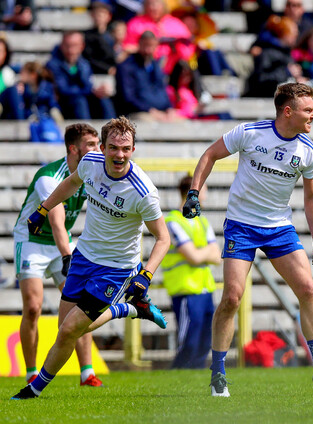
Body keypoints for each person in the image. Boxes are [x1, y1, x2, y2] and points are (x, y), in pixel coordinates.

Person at [183, 82, 313, 397]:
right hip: (241, 226)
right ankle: (218, 374)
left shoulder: (309, 152)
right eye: (308, 110)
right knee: (232, 297)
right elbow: (210, 154)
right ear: (288, 112)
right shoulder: (250, 133)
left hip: (279, 228)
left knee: (308, 289)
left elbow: (312, 198)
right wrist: (194, 192)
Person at [11, 116, 171, 400]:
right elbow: (71, 183)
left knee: (71, 328)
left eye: (126, 149)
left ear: (133, 150)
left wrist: (146, 274)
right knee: (65, 329)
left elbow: (163, 238)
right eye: (113, 148)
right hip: (84, 256)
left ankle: (33, 390)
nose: (119, 155)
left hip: (116, 268)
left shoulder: (143, 192)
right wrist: (43, 209)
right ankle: (130, 309)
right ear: (103, 147)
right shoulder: (91, 163)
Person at [13, 124, 103, 387]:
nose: (98, 149)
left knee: (80, 306)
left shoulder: (93, 174)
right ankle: (31, 372)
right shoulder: (49, 177)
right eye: (91, 145)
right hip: (32, 241)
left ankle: (87, 373)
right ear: (73, 149)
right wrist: (68, 256)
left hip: (62, 242)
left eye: (98, 143)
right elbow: (56, 219)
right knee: (33, 308)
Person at [162, 176, 222, 369]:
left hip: (205, 288)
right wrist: (205, 252)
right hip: (185, 289)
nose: (206, 193)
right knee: (189, 342)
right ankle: (177, 374)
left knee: (205, 342)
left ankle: (194, 378)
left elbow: (217, 256)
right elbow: (193, 257)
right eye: (203, 188)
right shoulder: (172, 221)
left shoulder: (201, 221)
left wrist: (200, 253)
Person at [46, 31, 116, 120]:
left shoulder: (84, 64)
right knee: (80, 101)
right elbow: (63, 90)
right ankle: (84, 128)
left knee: (103, 99)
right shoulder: (52, 65)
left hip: (83, 99)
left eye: (74, 46)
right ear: (61, 46)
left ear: (82, 46)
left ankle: (113, 125)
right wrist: (92, 91)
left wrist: (98, 91)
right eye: (67, 46)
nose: (70, 50)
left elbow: (87, 84)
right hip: (64, 104)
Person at [115, 31, 182, 122]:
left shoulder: (155, 66)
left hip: (160, 111)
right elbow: (128, 97)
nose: (148, 50)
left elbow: (162, 90)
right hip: (138, 112)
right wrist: (150, 110)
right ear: (139, 44)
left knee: (182, 122)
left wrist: (169, 108)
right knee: (149, 122)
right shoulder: (127, 67)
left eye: (151, 46)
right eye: (145, 45)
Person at [244, 15, 302, 98]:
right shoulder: (266, 52)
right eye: (293, 34)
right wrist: (286, 72)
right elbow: (261, 79)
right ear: (284, 34)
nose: (296, 37)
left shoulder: (287, 52)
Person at [83, 1, 119, 75]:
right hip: (95, 73)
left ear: (109, 16)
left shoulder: (112, 35)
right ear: (92, 15)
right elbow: (89, 58)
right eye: (96, 14)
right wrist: (107, 69)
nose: (99, 17)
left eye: (102, 14)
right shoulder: (86, 36)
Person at [0, 35, 22, 119]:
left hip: (5, 111)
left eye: (0, 51)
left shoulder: (8, 73)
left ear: (5, 54)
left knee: (14, 90)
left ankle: (21, 123)